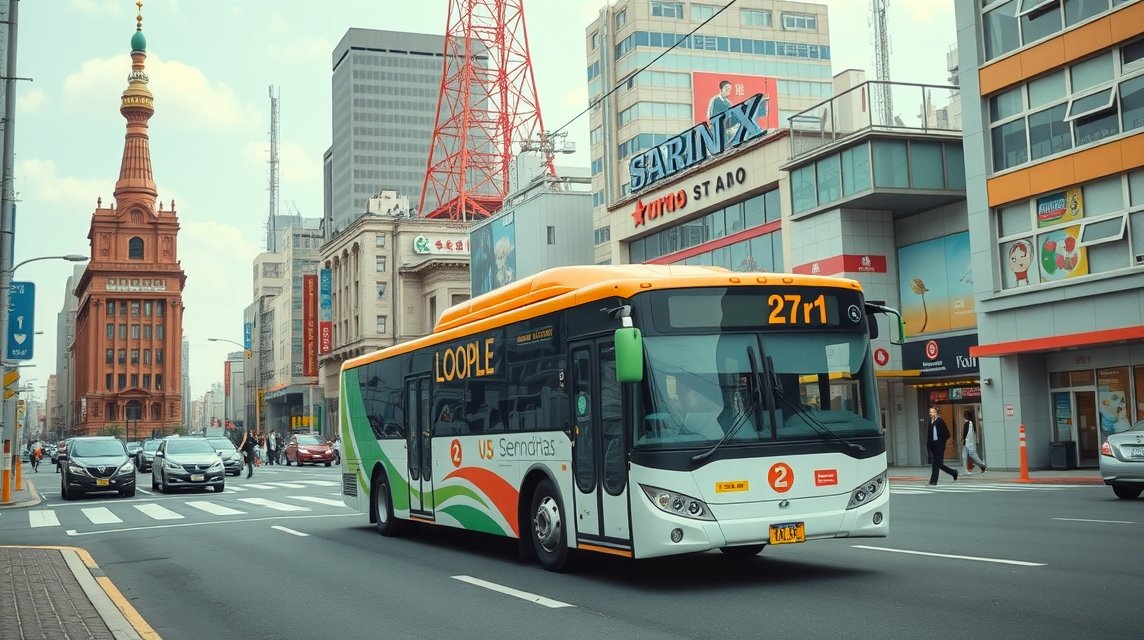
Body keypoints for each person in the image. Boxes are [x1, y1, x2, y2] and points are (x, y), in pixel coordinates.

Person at [927, 406, 958, 485]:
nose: (931, 413)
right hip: (933, 446)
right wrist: (928, 446)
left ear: (936, 413)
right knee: (938, 464)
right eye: (930, 412)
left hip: (939, 446)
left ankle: (933, 481)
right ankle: (953, 472)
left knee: (935, 463)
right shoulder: (930, 422)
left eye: (932, 412)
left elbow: (947, 434)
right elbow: (929, 435)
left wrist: (941, 442)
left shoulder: (940, 421)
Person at [962, 409, 988, 475]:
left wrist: (964, 439)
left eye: (964, 415)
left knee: (974, 457)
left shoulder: (968, 423)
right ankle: (965, 471)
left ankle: (984, 466)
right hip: (967, 443)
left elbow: (967, 434)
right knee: (964, 456)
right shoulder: (969, 423)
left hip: (969, 443)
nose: (963, 416)